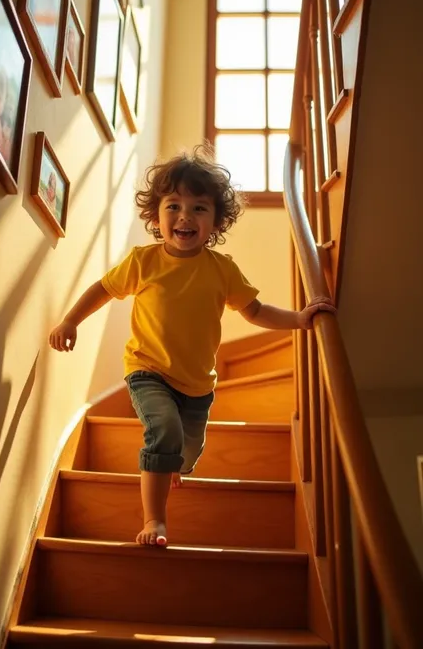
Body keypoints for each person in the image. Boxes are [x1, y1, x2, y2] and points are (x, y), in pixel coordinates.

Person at [49, 144, 335, 547]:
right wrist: (70, 320)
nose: (185, 216)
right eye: (174, 206)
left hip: (198, 384)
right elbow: (104, 289)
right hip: (147, 370)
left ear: (216, 221)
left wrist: (299, 319)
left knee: (188, 450)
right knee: (163, 430)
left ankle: (173, 463)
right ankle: (155, 521)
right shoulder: (143, 262)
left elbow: (255, 312)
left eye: (199, 208)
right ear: (156, 215)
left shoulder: (222, 270)